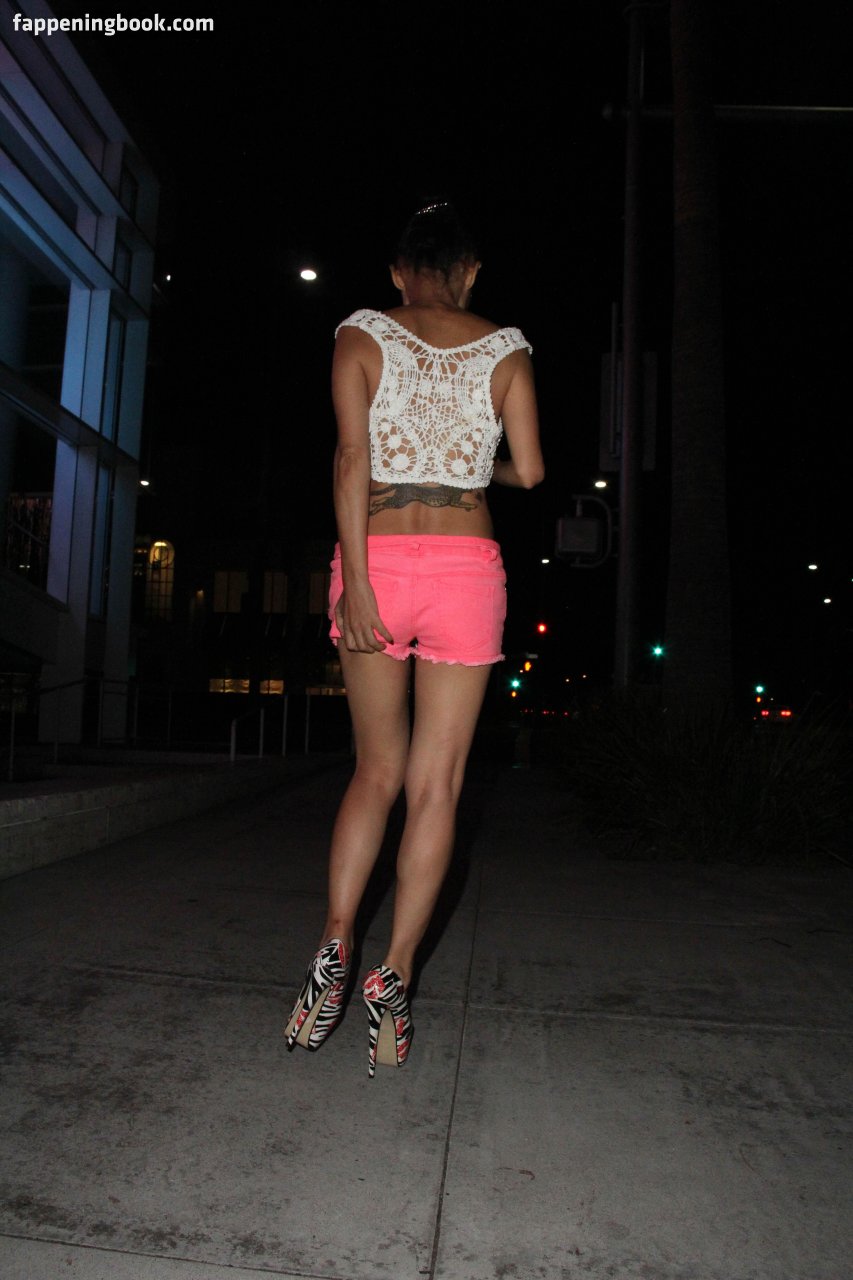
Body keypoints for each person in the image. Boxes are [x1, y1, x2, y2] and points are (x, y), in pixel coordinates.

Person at [285, 202, 544, 1077]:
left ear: (398, 271)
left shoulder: (361, 333)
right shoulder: (505, 348)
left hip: (379, 566)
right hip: (466, 572)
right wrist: (470, 465)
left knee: (375, 772)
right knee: (438, 786)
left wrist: (357, 583)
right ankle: (393, 974)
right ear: (470, 271)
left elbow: (350, 459)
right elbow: (531, 471)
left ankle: (335, 942)